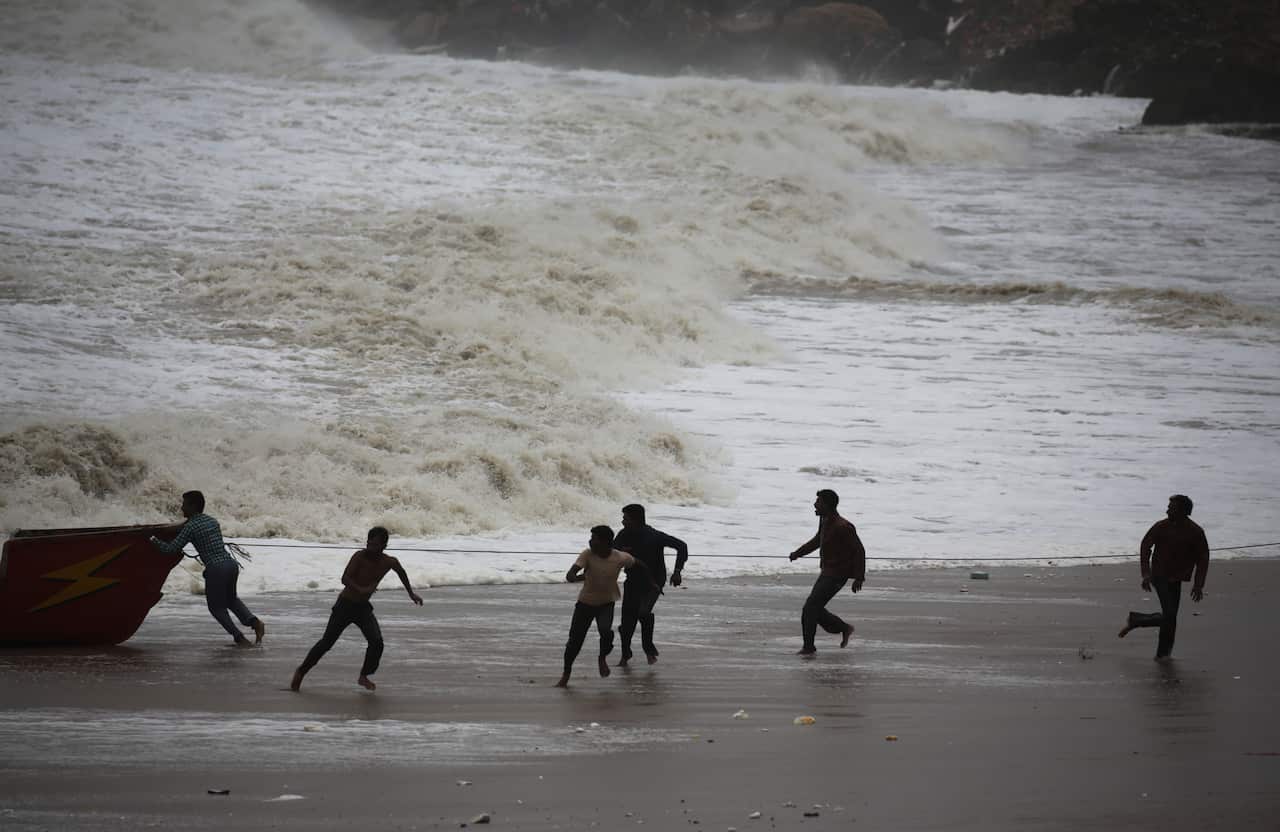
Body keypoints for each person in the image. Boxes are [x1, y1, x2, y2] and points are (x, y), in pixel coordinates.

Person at [291, 527, 422, 692]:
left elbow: (401, 572)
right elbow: (345, 578)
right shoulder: (359, 556)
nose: (370, 547)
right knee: (326, 643)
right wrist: (362, 590)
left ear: (384, 546)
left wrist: (411, 593)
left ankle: (364, 675)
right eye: (369, 543)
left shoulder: (389, 562)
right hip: (345, 605)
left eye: (375, 545)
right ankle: (301, 671)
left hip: (362, 609)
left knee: (377, 642)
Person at [150, 490, 265, 647]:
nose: (181, 508)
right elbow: (186, 526)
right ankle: (256, 623)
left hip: (216, 569)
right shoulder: (212, 521)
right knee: (231, 600)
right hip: (231, 565)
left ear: (193, 506)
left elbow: (171, 549)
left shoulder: (190, 527)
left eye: (184, 504)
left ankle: (239, 638)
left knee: (216, 608)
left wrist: (152, 539)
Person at [556, 525, 658, 687]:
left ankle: (602, 657)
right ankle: (566, 674)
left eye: (594, 538)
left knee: (606, 632)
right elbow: (571, 574)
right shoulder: (587, 554)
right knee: (575, 641)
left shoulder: (619, 557)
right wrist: (579, 577)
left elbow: (640, 564)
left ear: (605, 542)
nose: (590, 541)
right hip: (585, 604)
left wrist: (651, 583)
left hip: (606, 604)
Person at [1117, 495, 1209, 660]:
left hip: (1177, 578)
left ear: (1183, 511)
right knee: (1170, 615)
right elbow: (1145, 546)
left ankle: (1161, 652)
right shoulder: (1161, 526)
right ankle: (1157, 648)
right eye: (1168, 506)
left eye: (1171, 507)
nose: (1167, 510)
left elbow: (1203, 557)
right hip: (1159, 575)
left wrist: (1198, 584)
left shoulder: (1195, 531)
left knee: (1170, 617)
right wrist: (1146, 574)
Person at [788, 489, 865, 656]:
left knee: (810, 608)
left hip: (838, 575)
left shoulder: (843, 526)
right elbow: (817, 541)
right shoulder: (825, 521)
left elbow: (859, 551)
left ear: (827, 505)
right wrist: (798, 553)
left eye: (818, 502)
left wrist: (859, 578)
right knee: (814, 608)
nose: (815, 505)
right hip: (828, 572)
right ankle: (843, 628)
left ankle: (809, 647)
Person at [613, 503, 689, 666]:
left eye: (625, 518)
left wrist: (677, 571)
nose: (623, 522)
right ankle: (625, 655)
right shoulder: (623, 535)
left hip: (653, 582)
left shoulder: (654, 536)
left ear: (635, 519)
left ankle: (648, 647)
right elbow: (611, 554)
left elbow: (682, 546)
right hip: (632, 581)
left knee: (642, 612)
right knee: (627, 622)